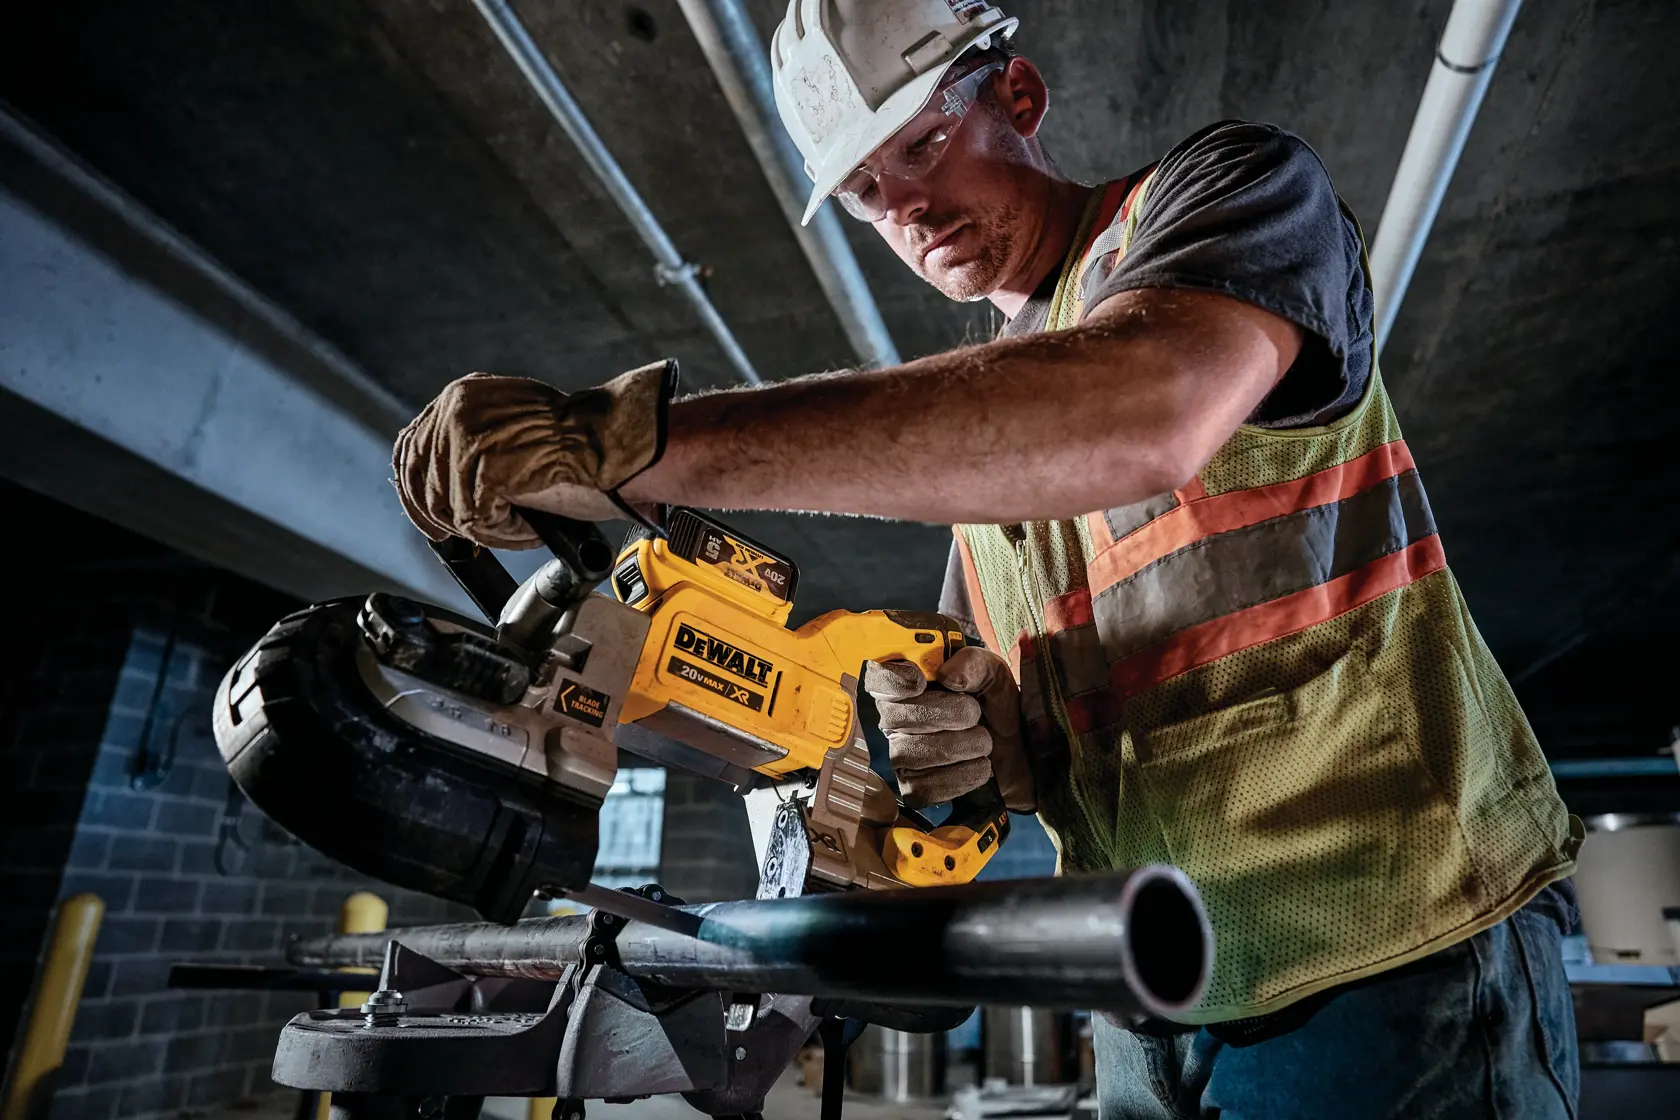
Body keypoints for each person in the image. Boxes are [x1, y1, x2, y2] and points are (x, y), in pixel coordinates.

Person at [390, 1, 1585, 1114]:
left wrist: (632, 447)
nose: (901, 207)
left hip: (1398, 944)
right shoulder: (984, 492)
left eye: (917, 148)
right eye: (864, 190)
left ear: (1018, 94)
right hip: (1146, 991)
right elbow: (994, 753)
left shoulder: (1235, 193)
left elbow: (1147, 410)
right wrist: (939, 754)